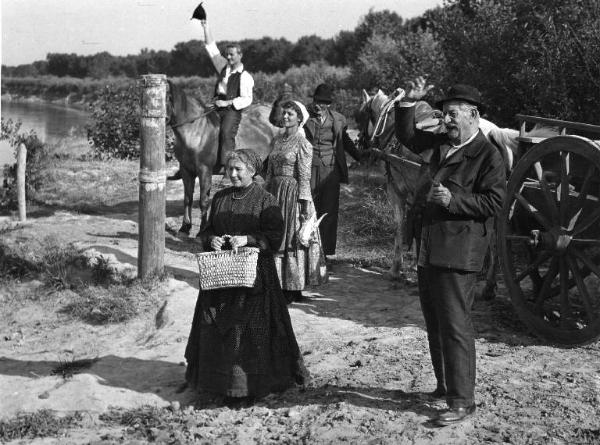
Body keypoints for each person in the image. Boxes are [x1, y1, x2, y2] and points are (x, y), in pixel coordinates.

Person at [393, 78, 506, 425]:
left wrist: (453, 200)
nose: (448, 121)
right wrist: (407, 105)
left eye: (454, 114)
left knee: (456, 325)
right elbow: (408, 137)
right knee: (435, 322)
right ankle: (444, 386)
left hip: (459, 252)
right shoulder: (443, 143)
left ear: (473, 115)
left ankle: (462, 402)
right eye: (444, 114)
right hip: (430, 247)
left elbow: (496, 201)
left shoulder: (488, 156)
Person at [184, 149, 309, 405]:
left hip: (255, 280)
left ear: (252, 171)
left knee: (249, 331)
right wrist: (212, 240)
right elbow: (205, 231)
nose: (232, 174)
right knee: (215, 325)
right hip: (220, 279)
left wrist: (249, 240)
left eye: (238, 169)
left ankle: (247, 386)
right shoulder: (220, 198)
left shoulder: (266, 200)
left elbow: (275, 237)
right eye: (229, 169)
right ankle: (216, 383)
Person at [168, 19, 254, 180]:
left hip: (231, 109)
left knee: (225, 132)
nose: (228, 57)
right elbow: (211, 48)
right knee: (195, 124)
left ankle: (227, 167)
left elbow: (247, 98)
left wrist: (227, 103)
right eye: (227, 54)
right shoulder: (223, 67)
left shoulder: (245, 77)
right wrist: (205, 27)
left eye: (232, 55)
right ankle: (187, 164)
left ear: (240, 55)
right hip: (216, 105)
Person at [265, 100, 322, 303]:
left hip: (294, 195)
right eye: (284, 113)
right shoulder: (277, 140)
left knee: (292, 238)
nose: (286, 116)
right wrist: (265, 193)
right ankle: (279, 285)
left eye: (290, 114)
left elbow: (304, 175)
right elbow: (270, 169)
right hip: (275, 192)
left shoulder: (303, 143)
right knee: (276, 236)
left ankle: (294, 289)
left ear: (300, 118)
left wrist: (305, 203)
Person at [303, 83, 363, 260]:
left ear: (328, 104)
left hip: (331, 170)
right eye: (316, 101)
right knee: (308, 209)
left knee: (329, 211)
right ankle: (307, 250)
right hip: (308, 169)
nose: (318, 105)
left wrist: (361, 156)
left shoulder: (338, 119)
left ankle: (326, 253)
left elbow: (345, 141)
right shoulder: (304, 118)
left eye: (323, 102)